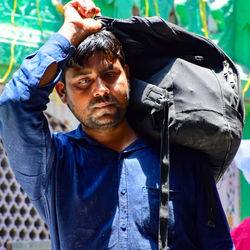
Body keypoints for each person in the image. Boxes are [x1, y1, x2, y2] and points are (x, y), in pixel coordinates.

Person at [0, 0, 234, 249]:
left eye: (110, 75)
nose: (100, 90)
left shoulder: (183, 159)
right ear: (62, 92)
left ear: (127, 75)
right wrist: (70, 32)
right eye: (83, 81)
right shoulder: (54, 164)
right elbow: (15, 103)